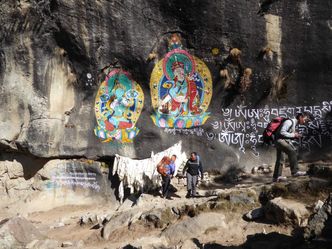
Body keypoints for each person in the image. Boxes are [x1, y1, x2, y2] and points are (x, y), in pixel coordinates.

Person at [273, 112, 310, 182]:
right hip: (280, 141)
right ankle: (295, 172)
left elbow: (287, 135)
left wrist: (294, 135)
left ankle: (276, 177)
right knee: (292, 151)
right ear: (300, 117)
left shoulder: (293, 124)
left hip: (280, 141)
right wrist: (294, 135)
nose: (304, 122)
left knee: (280, 159)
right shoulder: (289, 122)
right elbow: (282, 132)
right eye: (304, 119)